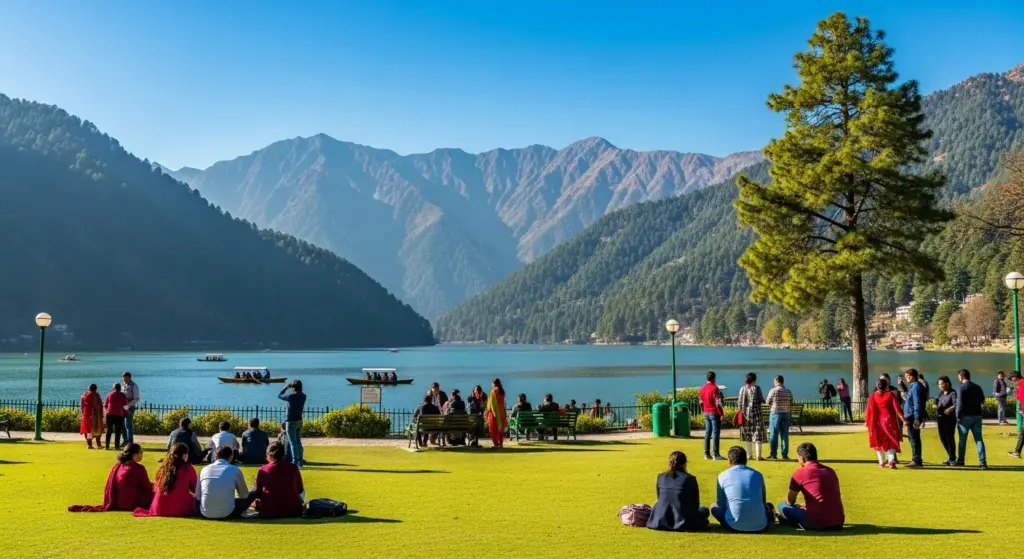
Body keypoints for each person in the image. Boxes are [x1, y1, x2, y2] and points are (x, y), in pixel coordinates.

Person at [777, 443, 844, 531]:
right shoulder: (830, 471)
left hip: (816, 522)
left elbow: (790, 501)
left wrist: (798, 506)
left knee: (782, 505)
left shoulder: (800, 473)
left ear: (801, 458)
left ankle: (793, 521)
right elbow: (824, 496)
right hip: (838, 521)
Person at [711, 446, 770, 533]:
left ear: (729, 460)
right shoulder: (757, 474)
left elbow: (721, 504)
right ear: (746, 459)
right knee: (769, 506)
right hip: (761, 526)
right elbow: (763, 501)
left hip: (733, 526)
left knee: (713, 506)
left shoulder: (723, 475)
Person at [646, 451, 710, 532]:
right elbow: (695, 504)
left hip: (661, 517)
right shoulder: (690, 478)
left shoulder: (661, 477)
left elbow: (659, 498)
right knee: (704, 510)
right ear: (684, 463)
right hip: (683, 518)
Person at [134, 443, 197, 517]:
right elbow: (195, 488)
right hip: (179, 510)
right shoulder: (188, 469)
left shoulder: (163, 468)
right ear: (185, 455)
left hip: (159, 509)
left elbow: (156, 487)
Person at [89, 444, 153, 512]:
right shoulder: (138, 468)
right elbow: (147, 486)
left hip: (117, 502)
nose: (142, 454)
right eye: (141, 452)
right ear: (134, 455)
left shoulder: (118, 466)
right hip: (132, 503)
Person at [251, 441, 305, 518]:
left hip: (269, 509)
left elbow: (257, 492)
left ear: (269, 455)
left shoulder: (263, 469)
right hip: (292, 509)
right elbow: (300, 489)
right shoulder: (293, 467)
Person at [197, 446, 253, 519]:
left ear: (216, 456)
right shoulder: (235, 470)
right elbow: (244, 495)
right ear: (231, 457)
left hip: (205, 511)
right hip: (227, 512)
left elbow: (197, 495)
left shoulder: (204, 469)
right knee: (253, 493)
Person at [866, 377, 904, 468]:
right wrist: (903, 418)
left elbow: (869, 411)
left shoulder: (873, 396)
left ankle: (882, 462)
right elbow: (897, 409)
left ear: (877, 386)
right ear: (887, 385)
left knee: (878, 442)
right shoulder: (891, 395)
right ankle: (891, 461)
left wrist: (867, 422)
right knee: (891, 440)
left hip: (877, 422)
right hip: (890, 420)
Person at [955, 369, 987, 469]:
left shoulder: (961, 388)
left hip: (965, 416)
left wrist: (957, 416)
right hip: (977, 415)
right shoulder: (977, 387)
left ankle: (961, 460)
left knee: (962, 440)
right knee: (979, 439)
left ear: (961, 376)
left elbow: (959, 404)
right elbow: (982, 400)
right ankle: (983, 462)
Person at [736, 372, 766, 461]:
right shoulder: (757, 388)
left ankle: (749, 455)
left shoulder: (742, 389)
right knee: (758, 435)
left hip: (745, 416)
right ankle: (758, 456)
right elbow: (761, 400)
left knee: (747, 435)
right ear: (754, 380)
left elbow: (739, 403)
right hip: (756, 415)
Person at [278, 380, 306, 469]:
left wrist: (286, 387)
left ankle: (294, 461)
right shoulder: (303, 396)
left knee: (292, 443)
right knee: (298, 442)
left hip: (290, 421)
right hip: (299, 420)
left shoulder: (290, 396)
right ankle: (300, 461)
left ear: (293, 388)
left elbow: (279, 395)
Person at [902, 368, 927, 467]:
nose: (906, 378)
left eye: (907, 376)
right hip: (911, 415)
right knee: (913, 438)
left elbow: (917, 402)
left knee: (914, 438)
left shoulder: (916, 386)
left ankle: (916, 460)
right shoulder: (914, 386)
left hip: (913, 416)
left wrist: (917, 417)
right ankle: (916, 459)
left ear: (912, 376)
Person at [765, 375, 793, 460]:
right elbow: (791, 402)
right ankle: (784, 455)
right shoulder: (788, 391)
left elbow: (767, 402)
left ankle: (773, 454)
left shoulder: (773, 391)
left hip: (775, 413)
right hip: (786, 413)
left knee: (774, 434)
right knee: (784, 435)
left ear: (776, 381)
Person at [699, 371, 724, 460]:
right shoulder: (715, 388)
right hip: (714, 412)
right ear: (714, 378)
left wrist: (703, 410)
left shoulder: (702, 388)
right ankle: (715, 454)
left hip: (706, 412)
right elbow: (718, 403)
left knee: (707, 432)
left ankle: (706, 454)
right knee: (715, 433)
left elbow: (701, 402)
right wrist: (721, 413)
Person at [935, 375, 958, 465]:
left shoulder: (953, 393)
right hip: (941, 418)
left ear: (947, 384)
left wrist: (949, 409)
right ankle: (951, 457)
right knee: (942, 438)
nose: (940, 386)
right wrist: (935, 405)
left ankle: (952, 459)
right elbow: (937, 401)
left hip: (950, 419)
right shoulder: (941, 394)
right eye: (939, 384)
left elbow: (956, 404)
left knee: (949, 438)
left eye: (942, 384)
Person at [104, 383, 128, 450]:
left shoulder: (109, 394)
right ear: (120, 388)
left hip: (109, 414)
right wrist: (126, 413)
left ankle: (107, 446)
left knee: (109, 430)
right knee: (118, 431)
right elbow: (125, 406)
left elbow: (106, 405)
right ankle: (116, 446)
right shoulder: (123, 395)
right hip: (119, 415)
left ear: (114, 388)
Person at [79, 384, 104, 449]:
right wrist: (101, 414)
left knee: (88, 431)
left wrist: (82, 414)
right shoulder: (96, 395)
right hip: (96, 415)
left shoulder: (84, 396)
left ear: (89, 389)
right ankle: (98, 445)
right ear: (96, 389)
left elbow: (82, 407)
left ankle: (89, 445)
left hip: (86, 415)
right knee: (98, 430)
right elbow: (100, 405)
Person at [486, 378, 507, 449]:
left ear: (494, 384)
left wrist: (488, 412)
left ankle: (496, 444)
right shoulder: (502, 391)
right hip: (502, 411)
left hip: (495, 412)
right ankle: (501, 444)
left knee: (492, 429)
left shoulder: (494, 391)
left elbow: (491, 404)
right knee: (500, 428)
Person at [121, 372, 140, 445]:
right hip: (123, 408)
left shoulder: (134, 386)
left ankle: (130, 442)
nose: (124, 380)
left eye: (125, 378)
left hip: (130, 408)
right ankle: (125, 440)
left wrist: (128, 406)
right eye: (123, 379)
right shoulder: (123, 385)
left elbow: (136, 399)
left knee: (128, 425)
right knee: (123, 425)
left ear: (129, 378)